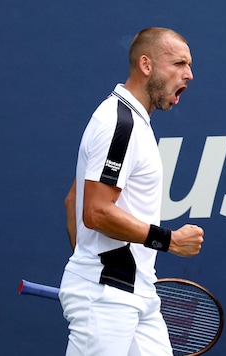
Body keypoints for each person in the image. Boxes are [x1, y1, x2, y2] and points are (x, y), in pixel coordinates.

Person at [59, 27, 204, 356]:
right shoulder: (119, 124)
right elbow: (94, 211)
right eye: (179, 63)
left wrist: (88, 267)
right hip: (108, 298)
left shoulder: (134, 124)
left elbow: (73, 201)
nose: (189, 74)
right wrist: (168, 240)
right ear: (146, 65)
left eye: (190, 65)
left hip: (136, 293)